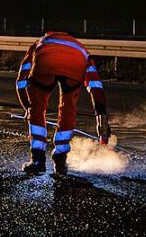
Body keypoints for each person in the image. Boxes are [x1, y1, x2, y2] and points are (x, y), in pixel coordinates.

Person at [15, 31, 111, 175]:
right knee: (68, 110)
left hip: (45, 64)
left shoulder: (40, 43)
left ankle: (37, 161)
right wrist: (101, 118)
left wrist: (28, 107)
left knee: (37, 109)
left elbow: (21, 81)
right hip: (75, 65)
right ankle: (60, 158)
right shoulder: (82, 50)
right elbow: (96, 87)